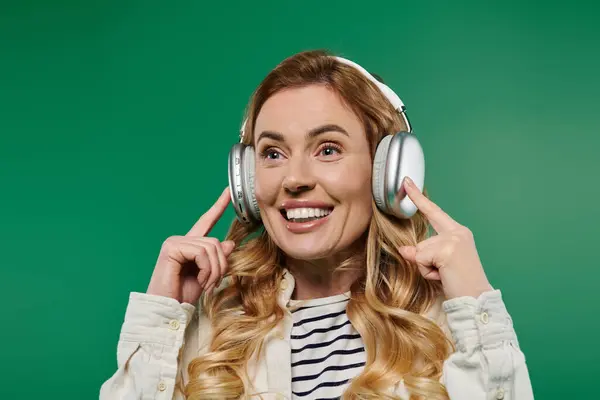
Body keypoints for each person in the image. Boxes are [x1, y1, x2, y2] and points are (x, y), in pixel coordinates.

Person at [99, 50, 534, 400]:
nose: (294, 179)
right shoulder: (215, 325)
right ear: (248, 180)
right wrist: (161, 316)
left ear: (388, 170)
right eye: (273, 153)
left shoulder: (450, 323)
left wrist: (477, 310)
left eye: (328, 149)